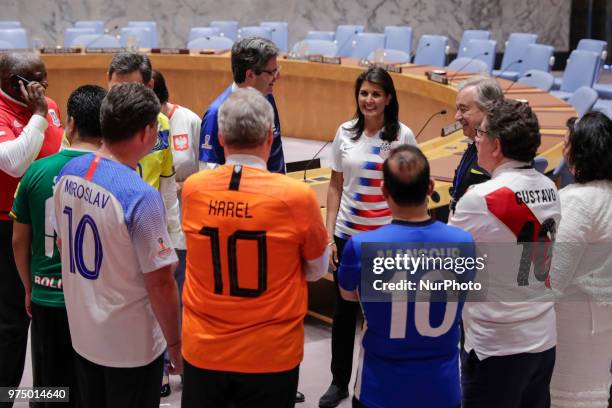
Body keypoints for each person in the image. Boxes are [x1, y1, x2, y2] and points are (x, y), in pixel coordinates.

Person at [181, 87, 328, 408]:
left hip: (204, 350)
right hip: (270, 354)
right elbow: (317, 269)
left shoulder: (193, 190)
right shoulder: (297, 197)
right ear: (270, 137)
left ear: (220, 137)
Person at [53, 83, 182, 408]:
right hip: (130, 349)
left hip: (82, 336)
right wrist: (176, 345)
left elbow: (62, 243)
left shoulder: (67, 172)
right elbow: (160, 281)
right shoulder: (141, 196)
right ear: (147, 132)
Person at [337, 144, 475, 408]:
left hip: (379, 390)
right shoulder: (464, 242)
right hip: (442, 389)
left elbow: (348, 297)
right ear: (431, 187)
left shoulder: (359, 246)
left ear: (384, 192)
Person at [449, 99, 560, 408]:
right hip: (542, 338)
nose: (476, 138)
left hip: (497, 346)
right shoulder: (550, 187)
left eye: (480, 133)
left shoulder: (480, 199)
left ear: (496, 146)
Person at [320, 66, 416, 408]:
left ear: (389, 98)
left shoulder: (402, 135)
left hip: (386, 239)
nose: (369, 100)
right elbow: (335, 184)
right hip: (348, 237)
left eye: (376, 94)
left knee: (385, 315)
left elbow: (410, 187)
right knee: (344, 314)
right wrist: (330, 235)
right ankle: (339, 381)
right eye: (364, 93)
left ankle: (385, 380)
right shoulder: (345, 132)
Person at [10, 85, 106, 407]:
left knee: (49, 391)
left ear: (71, 124)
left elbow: (19, 240)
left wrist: (28, 288)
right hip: (97, 302)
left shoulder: (36, 172)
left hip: (46, 296)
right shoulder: (116, 174)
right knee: (91, 389)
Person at [107, 53, 183, 396]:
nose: (121, 98)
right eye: (115, 88)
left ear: (150, 87)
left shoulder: (162, 125)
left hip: (148, 223)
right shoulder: (102, 120)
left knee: (153, 296)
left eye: (131, 88)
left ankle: (159, 368)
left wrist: (174, 233)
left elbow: (167, 184)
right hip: (109, 225)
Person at [0, 52, 63, 396]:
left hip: (52, 220)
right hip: (8, 227)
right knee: (12, 322)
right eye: (39, 81)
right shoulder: (5, 109)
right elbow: (15, 163)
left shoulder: (50, 104)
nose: (45, 89)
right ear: (15, 83)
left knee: (45, 310)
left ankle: (47, 398)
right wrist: (37, 115)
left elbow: (60, 149)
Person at [549, 112, 612, 407]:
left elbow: (554, 280)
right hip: (601, 322)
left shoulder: (578, 201)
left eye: (566, 143)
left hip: (571, 328)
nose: (563, 150)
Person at [152, 68, 201, 387]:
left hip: (184, 227)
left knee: (182, 299)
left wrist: (185, 186)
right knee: (155, 297)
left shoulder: (190, 121)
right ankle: (160, 372)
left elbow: (207, 169)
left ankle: (184, 364)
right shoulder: (134, 125)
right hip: (150, 225)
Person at [198, 37, 285, 173]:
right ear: (250, 75)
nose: (278, 77)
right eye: (271, 72)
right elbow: (208, 172)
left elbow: (276, 154)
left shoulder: (267, 97)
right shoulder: (215, 114)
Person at [450, 76, 504, 212]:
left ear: (489, 110)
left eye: (463, 109)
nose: (456, 117)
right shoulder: (475, 145)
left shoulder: (498, 156)